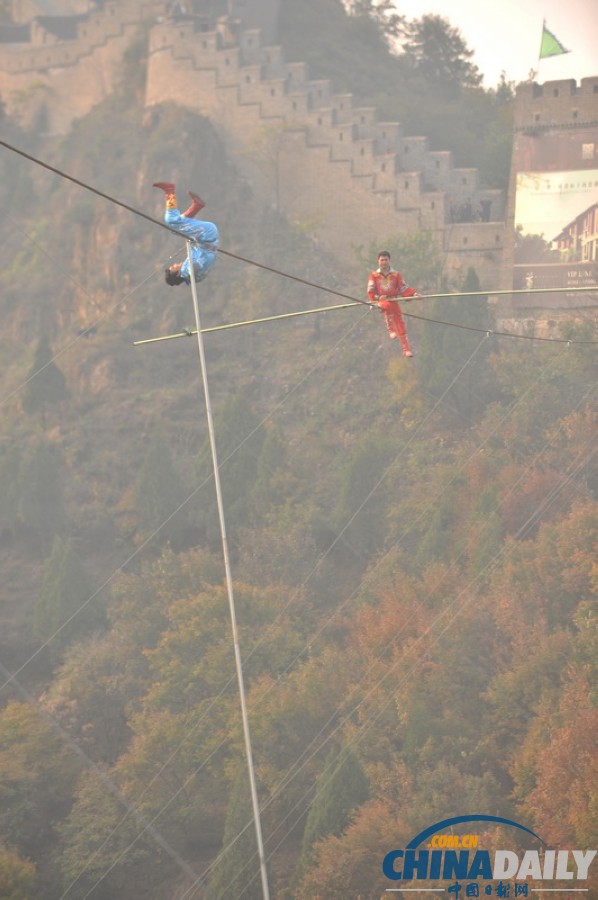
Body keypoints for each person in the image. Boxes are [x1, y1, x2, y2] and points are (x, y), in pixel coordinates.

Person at [153, 181, 220, 286]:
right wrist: (190, 271)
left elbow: (202, 259)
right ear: (177, 273)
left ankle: (196, 206)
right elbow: (198, 265)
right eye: (173, 267)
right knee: (171, 220)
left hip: (208, 238)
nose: (175, 264)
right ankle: (169, 190)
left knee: (175, 229)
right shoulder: (187, 271)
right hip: (206, 234)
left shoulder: (192, 275)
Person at [367, 250, 420, 357]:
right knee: (386, 306)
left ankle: (406, 349)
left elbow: (403, 288)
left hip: (393, 300)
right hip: (381, 301)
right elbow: (370, 291)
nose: (384, 262)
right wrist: (378, 298)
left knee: (400, 322)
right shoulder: (374, 275)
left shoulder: (396, 275)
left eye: (386, 260)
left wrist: (414, 294)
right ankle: (390, 329)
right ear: (378, 261)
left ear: (389, 261)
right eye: (382, 260)